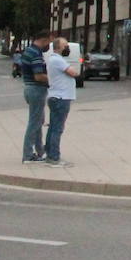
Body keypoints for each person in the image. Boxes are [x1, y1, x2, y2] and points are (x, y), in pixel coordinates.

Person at [45, 37, 80, 168]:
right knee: (57, 128)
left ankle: (49, 153)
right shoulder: (57, 60)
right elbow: (73, 72)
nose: (67, 48)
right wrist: (74, 70)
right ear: (58, 47)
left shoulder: (54, 59)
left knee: (53, 126)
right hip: (61, 98)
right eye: (65, 46)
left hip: (56, 96)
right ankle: (54, 157)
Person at [20, 33, 51, 163]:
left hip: (30, 88)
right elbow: (38, 75)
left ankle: (40, 151)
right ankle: (27, 154)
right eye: (48, 42)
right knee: (34, 122)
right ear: (44, 40)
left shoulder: (28, 50)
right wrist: (53, 80)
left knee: (38, 121)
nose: (48, 46)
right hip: (36, 89)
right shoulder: (36, 54)